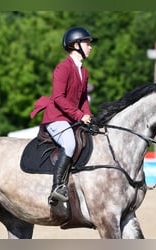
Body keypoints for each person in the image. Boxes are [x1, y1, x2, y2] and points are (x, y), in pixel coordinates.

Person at [30, 26, 97, 204]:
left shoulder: (84, 72)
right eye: (87, 43)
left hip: (71, 118)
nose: (90, 47)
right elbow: (58, 98)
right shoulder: (63, 68)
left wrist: (88, 116)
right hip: (56, 118)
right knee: (70, 142)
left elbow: (83, 100)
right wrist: (79, 115)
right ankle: (57, 186)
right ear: (76, 45)